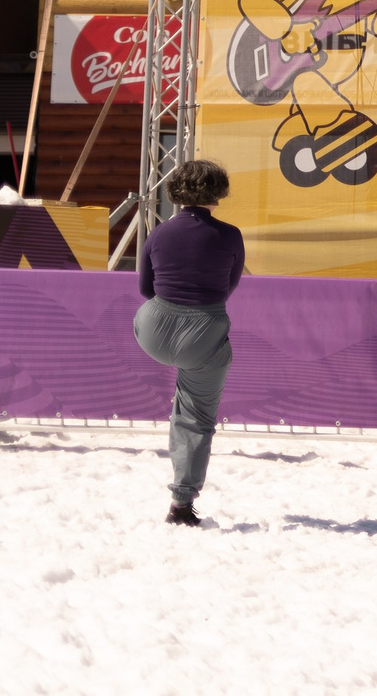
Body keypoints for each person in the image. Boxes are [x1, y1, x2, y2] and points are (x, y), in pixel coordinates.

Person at [132, 159, 246, 527]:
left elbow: (145, 288)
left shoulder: (159, 233)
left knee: (149, 313)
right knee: (195, 419)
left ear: (176, 192)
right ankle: (181, 503)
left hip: (153, 329)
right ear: (219, 192)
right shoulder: (229, 235)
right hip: (202, 332)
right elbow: (229, 287)